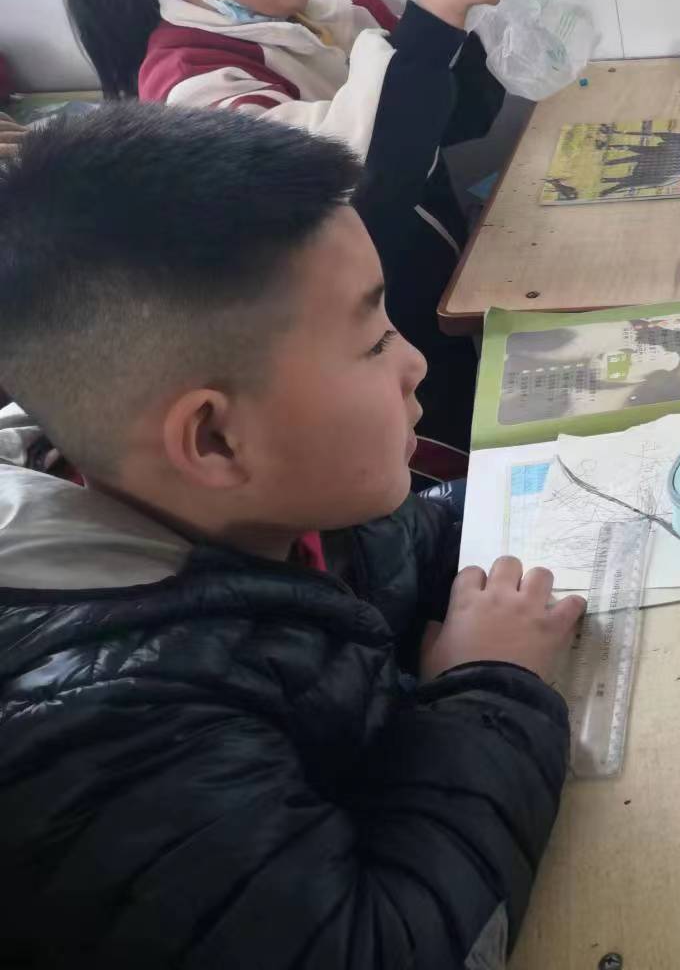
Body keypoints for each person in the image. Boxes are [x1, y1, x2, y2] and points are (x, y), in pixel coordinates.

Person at [0, 103, 582, 969]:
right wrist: (489, 688)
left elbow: (410, 545)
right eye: (374, 340)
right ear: (214, 440)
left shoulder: (268, 500)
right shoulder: (105, 737)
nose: (414, 361)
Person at [33, 0, 521, 474]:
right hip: (371, 409)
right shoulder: (194, 90)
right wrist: (431, 21)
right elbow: (361, 190)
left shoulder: (328, 9)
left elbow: (461, 117)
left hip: (433, 335)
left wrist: (455, 12)